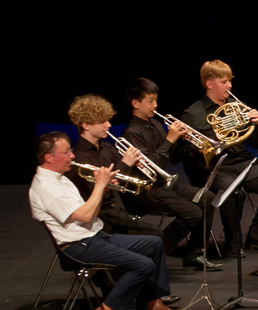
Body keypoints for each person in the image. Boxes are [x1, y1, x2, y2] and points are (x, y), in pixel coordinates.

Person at [31, 132, 186, 310]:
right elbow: (86, 216)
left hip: (95, 237)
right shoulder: (45, 186)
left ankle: (154, 306)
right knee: (143, 264)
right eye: (66, 151)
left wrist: (102, 189)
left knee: (153, 242)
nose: (72, 155)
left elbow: (92, 211)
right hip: (78, 247)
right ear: (49, 157)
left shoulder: (61, 179)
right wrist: (100, 185)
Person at [179, 60, 258, 257]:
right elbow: (182, 154)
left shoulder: (237, 107)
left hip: (242, 162)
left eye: (230, 81)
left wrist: (256, 123)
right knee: (234, 191)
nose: (230, 86)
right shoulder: (193, 114)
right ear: (210, 84)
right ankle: (233, 244)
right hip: (213, 168)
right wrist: (211, 140)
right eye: (224, 81)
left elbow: (256, 142)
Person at [67, 94, 180, 260]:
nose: (109, 125)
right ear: (85, 125)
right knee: (154, 235)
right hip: (100, 217)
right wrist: (126, 163)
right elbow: (100, 189)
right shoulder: (79, 157)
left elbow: (120, 178)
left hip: (119, 209)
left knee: (154, 235)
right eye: (103, 122)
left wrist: (138, 165)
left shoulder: (107, 148)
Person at [121, 78, 218, 269]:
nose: (155, 105)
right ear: (135, 103)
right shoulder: (131, 133)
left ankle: (195, 253)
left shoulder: (156, 125)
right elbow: (151, 168)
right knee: (192, 212)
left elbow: (171, 159)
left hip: (164, 186)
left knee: (206, 198)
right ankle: (153, 251)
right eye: (150, 101)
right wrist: (169, 140)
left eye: (156, 100)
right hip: (146, 191)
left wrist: (182, 140)